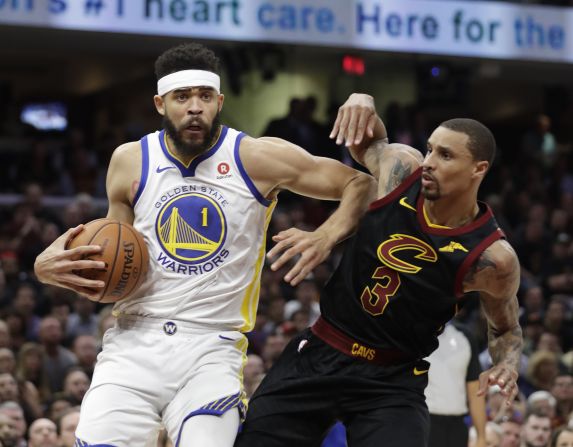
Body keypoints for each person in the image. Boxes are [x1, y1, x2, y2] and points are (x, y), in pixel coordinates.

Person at [33, 43, 374, 447]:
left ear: (219, 101)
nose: (195, 106)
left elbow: (360, 183)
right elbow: (114, 253)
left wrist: (326, 235)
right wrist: (48, 265)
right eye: (182, 96)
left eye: (204, 96)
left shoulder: (255, 157)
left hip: (212, 347)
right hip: (132, 340)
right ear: (161, 103)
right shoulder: (129, 160)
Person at [235, 93, 523, 446]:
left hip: (392, 380)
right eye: (430, 149)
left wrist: (506, 363)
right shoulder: (402, 171)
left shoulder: (492, 258)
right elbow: (371, 142)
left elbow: (506, 328)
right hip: (323, 349)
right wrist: (362, 100)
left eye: (445, 155)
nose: (430, 161)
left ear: (479, 169)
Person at [425, 320, 486, 447]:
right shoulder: (408, 333)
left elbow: (475, 392)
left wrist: (481, 437)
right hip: (422, 420)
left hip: (457, 424)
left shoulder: (464, 336)